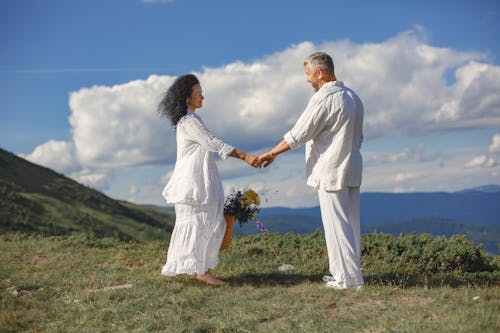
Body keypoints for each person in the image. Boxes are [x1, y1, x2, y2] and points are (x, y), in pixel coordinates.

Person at [258, 52, 364, 290]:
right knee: (351, 224)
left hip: (331, 168)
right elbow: (359, 136)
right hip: (352, 167)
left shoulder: (324, 98)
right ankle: (345, 274)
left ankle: (349, 280)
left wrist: (272, 153)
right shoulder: (354, 97)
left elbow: (299, 133)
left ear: (319, 73)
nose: (307, 80)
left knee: (336, 225)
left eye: (308, 74)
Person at [158, 74, 259, 286]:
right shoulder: (188, 121)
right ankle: (203, 271)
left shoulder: (192, 119)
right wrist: (244, 156)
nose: (203, 97)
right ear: (187, 98)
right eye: (198, 93)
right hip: (194, 180)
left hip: (199, 177)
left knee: (209, 221)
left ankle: (202, 269)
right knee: (204, 222)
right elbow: (212, 142)